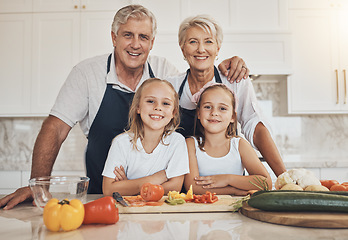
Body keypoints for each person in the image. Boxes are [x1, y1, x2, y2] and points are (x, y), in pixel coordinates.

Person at [0, 5, 247, 209]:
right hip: (103, 197)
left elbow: (198, 81)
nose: (135, 44)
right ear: (114, 37)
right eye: (128, 35)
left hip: (160, 204)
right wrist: (38, 186)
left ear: (152, 42)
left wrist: (220, 64)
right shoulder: (87, 74)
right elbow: (55, 129)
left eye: (144, 37)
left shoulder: (165, 73)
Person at [166, 15, 286, 190]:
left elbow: (255, 126)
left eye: (208, 42)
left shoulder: (234, 79)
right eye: (192, 42)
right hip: (182, 185)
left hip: (232, 189)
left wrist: (285, 178)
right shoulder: (171, 86)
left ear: (217, 48)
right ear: (183, 49)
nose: (201, 49)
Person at [102, 78, 189, 196]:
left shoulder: (177, 142)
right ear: (138, 107)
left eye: (166, 103)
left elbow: (174, 188)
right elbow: (108, 190)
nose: (158, 107)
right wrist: (154, 179)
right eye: (150, 101)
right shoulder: (121, 143)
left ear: (173, 112)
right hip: (128, 211)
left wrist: (129, 186)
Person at [184, 83, 272, 194]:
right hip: (202, 209)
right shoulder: (190, 144)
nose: (214, 113)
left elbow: (266, 183)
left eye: (222, 108)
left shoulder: (239, 145)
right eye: (207, 107)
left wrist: (227, 179)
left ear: (232, 117)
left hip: (236, 210)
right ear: (199, 113)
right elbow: (193, 188)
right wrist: (234, 190)